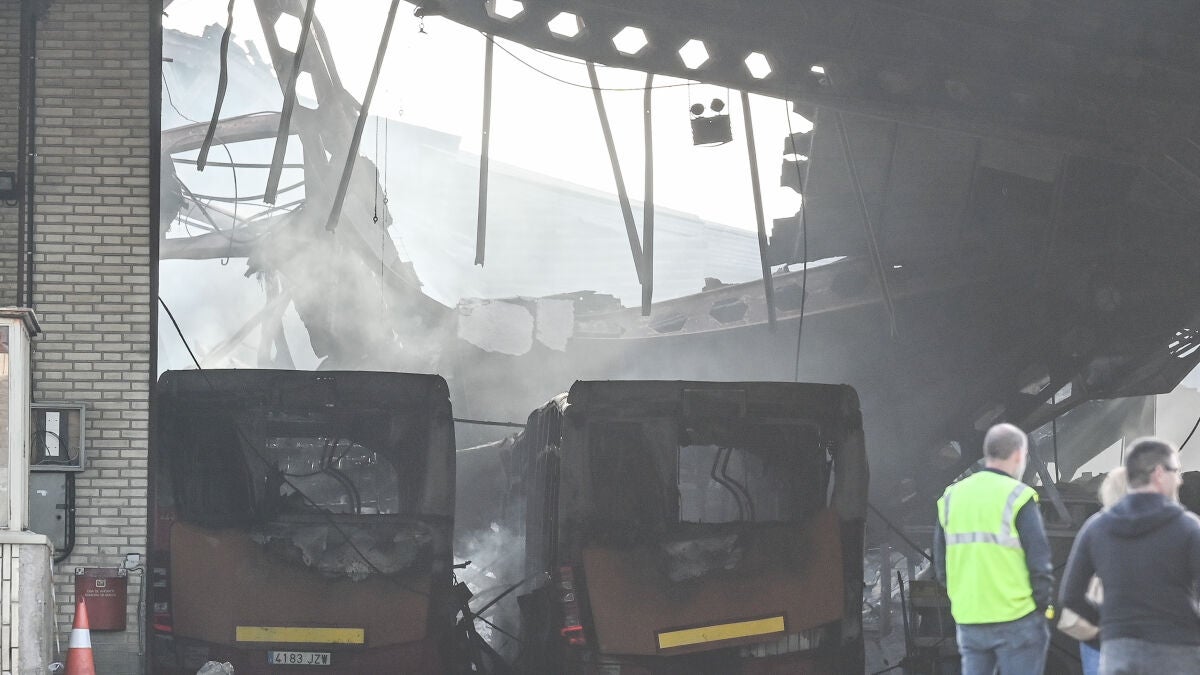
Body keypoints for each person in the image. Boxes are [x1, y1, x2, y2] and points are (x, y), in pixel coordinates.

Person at [1059, 438, 1200, 674]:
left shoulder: (1096, 527)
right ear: (1159, 473)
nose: (1180, 480)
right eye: (1175, 471)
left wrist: (1111, 625)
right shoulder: (1187, 526)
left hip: (1119, 650)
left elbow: (1070, 596)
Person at [934, 423, 1053, 674]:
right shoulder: (1018, 496)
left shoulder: (951, 497)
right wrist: (1040, 606)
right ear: (1019, 455)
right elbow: (1039, 562)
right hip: (1016, 618)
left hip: (970, 618)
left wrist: (962, 599)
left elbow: (941, 565)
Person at [1062, 468, 1127, 675]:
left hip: (1099, 634)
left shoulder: (1095, 528)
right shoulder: (1166, 531)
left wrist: (1099, 624)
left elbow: (1071, 595)